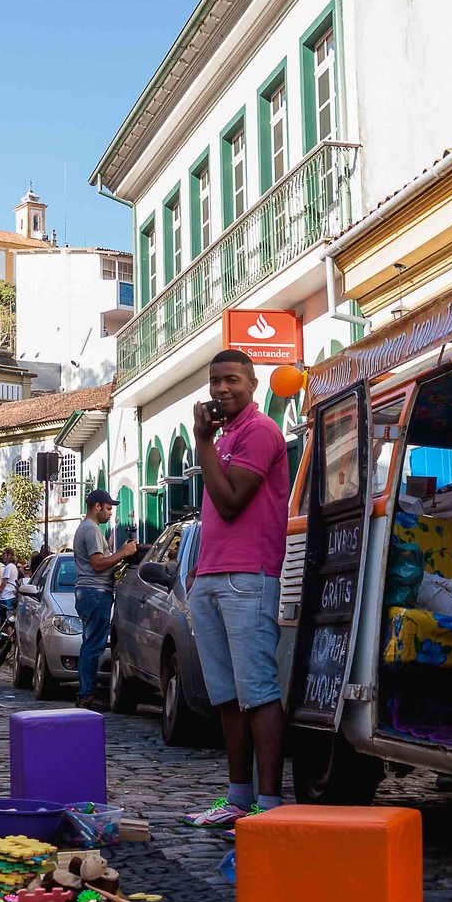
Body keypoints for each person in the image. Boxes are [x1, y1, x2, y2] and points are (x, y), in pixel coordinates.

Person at [184, 350, 293, 826]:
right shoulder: (225, 436)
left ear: (252, 382)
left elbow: (230, 503)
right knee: (226, 695)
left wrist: (202, 441)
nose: (222, 389)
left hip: (250, 575)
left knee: (258, 692)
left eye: (231, 380)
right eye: (215, 382)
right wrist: (197, 571)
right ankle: (236, 798)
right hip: (211, 575)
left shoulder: (261, 432)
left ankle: (267, 804)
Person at [72, 490, 138, 710]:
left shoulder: (89, 529)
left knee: (89, 643)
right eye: (109, 508)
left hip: (90, 591)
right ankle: (87, 693)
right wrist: (124, 552)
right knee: (93, 645)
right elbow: (98, 564)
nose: (111, 514)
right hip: (95, 592)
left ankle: (85, 691)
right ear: (97, 506)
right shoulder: (91, 530)